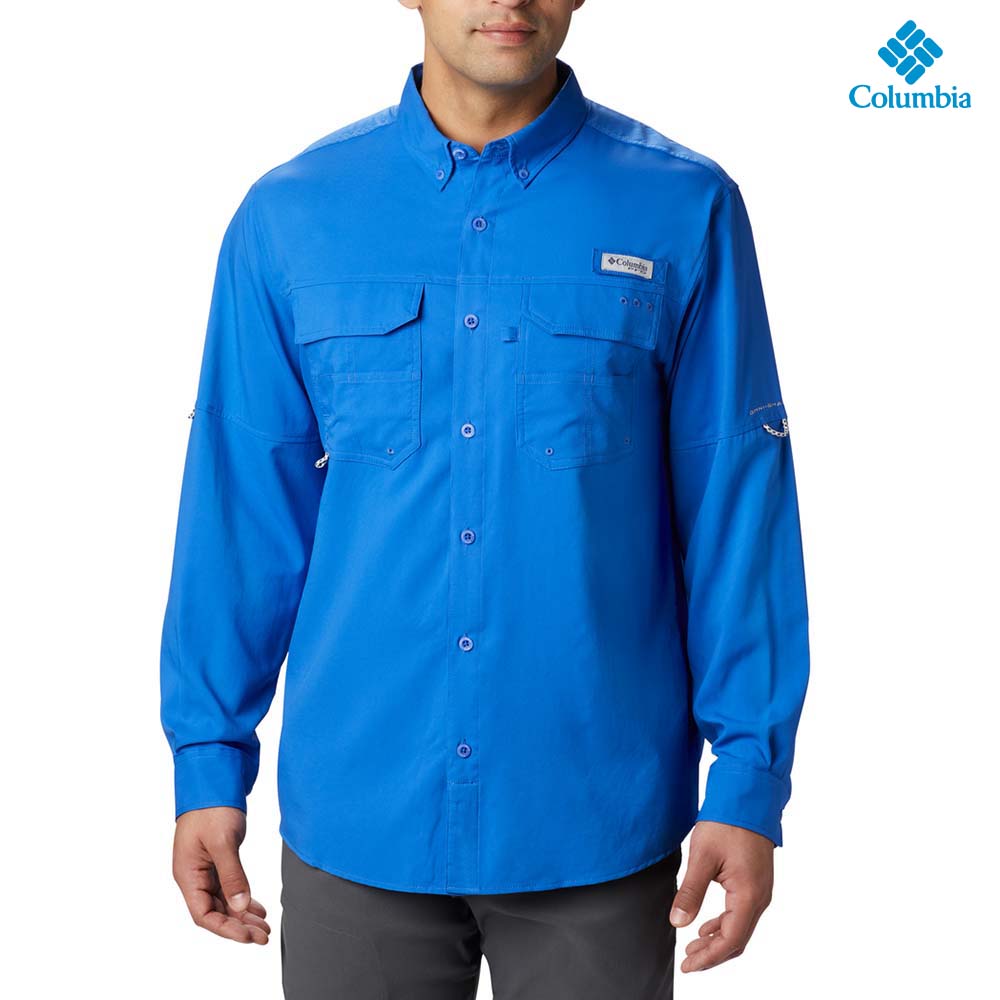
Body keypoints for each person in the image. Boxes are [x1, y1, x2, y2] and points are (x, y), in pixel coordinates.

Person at [159, 1, 810, 997]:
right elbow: (241, 510)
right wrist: (207, 761)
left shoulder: (685, 207)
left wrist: (749, 781)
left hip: (595, 813)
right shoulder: (292, 215)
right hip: (358, 812)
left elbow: (736, 509)